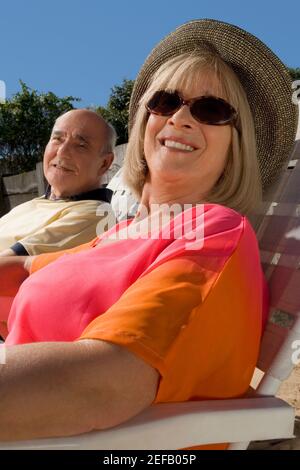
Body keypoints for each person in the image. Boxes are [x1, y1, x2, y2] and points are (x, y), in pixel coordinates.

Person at [0, 19, 297, 448]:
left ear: (238, 145)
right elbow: (26, 270)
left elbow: (104, 385)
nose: (180, 117)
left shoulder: (214, 230)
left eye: (211, 109)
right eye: (165, 101)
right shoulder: (121, 233)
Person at [0, 109, 116, 257]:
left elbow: (8, 266)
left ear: (104, 163)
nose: (62, 151)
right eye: (58, 139)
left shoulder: (97, 215)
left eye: (81, 145)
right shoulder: (29, 206)